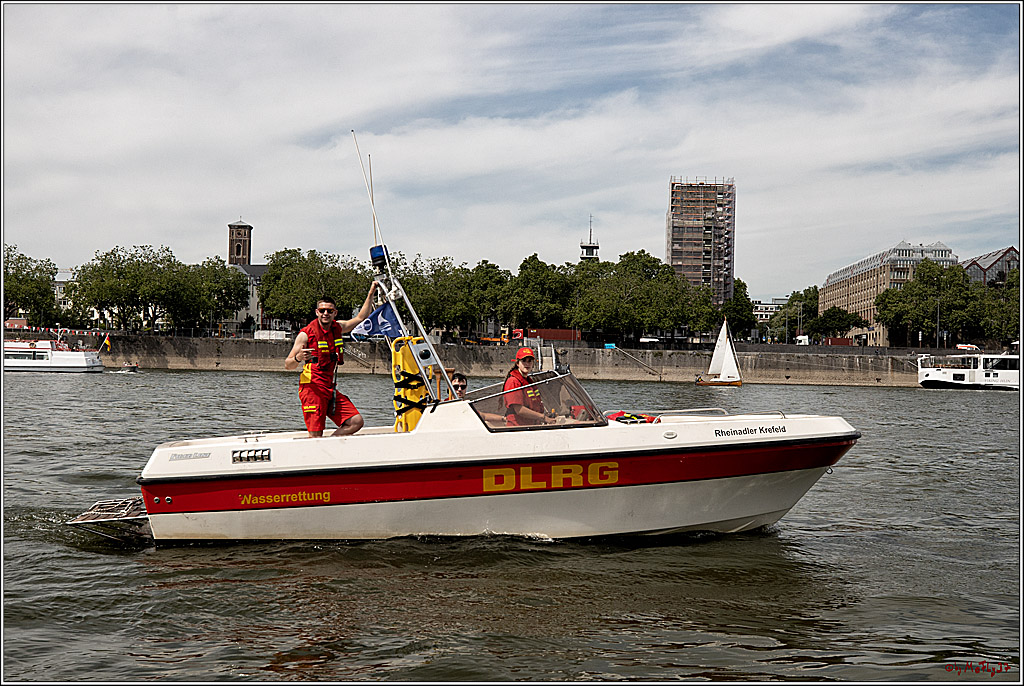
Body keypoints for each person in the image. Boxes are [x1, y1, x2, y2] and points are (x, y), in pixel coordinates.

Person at [285, 284, 379, 437]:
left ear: (335, 312)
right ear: (317, 312)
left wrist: (371, 292)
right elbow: (287, 365)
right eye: (322, 310)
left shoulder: (339, 327)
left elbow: (361, 317)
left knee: (356, 421)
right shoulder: (306, 335)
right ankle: (316, 455)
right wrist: (298, 358)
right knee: (315, 435)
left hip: (329, 389)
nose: (325, 313)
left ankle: (332, 446)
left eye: (329, 310)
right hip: (312, 389)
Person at [502, 347, 556, 426]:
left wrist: (548, 415)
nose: (527, 364)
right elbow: (519, 410)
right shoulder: (513, 382)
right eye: (524, 361)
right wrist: (543, 418)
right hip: (518, 427)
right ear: (517, 363)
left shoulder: (528, 380)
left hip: (531, 425)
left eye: (529, 361)